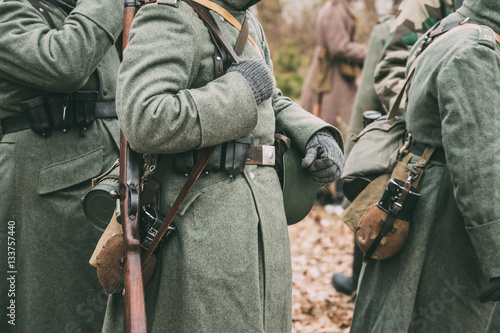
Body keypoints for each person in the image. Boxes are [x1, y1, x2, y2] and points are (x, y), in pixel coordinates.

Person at [102, 0, 344, 332]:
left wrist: (313, 131)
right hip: (202, 232)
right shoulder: (173, 14)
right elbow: (143, 118)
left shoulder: (248, 24)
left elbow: (268, 97)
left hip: (262, 225)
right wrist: (240, 90)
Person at [350, 0, 500, 331]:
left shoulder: (450, 29)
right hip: (444, 215)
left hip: (417, 189)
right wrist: (497, 257)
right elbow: (479, 170)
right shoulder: (477, 50)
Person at [0, 0, 122, 331]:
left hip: (110, 184)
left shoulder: (86, 11)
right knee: (48, 315)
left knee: (108, 314)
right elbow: (64, 62)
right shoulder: (9, 9)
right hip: (45, 194)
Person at [332, 10, 398, 297]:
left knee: (369, 201)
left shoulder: (391, 27)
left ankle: (359, 283)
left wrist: (351, 156)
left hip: (394, 145)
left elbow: (367, 101)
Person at [300, 0, 366, 205]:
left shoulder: (336, 7)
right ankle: (332, 194)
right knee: (339, 128)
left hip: (332, 77)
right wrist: (369, 52)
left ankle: (329, 192)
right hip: (332, 80)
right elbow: (339, 46)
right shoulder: (336, 9)